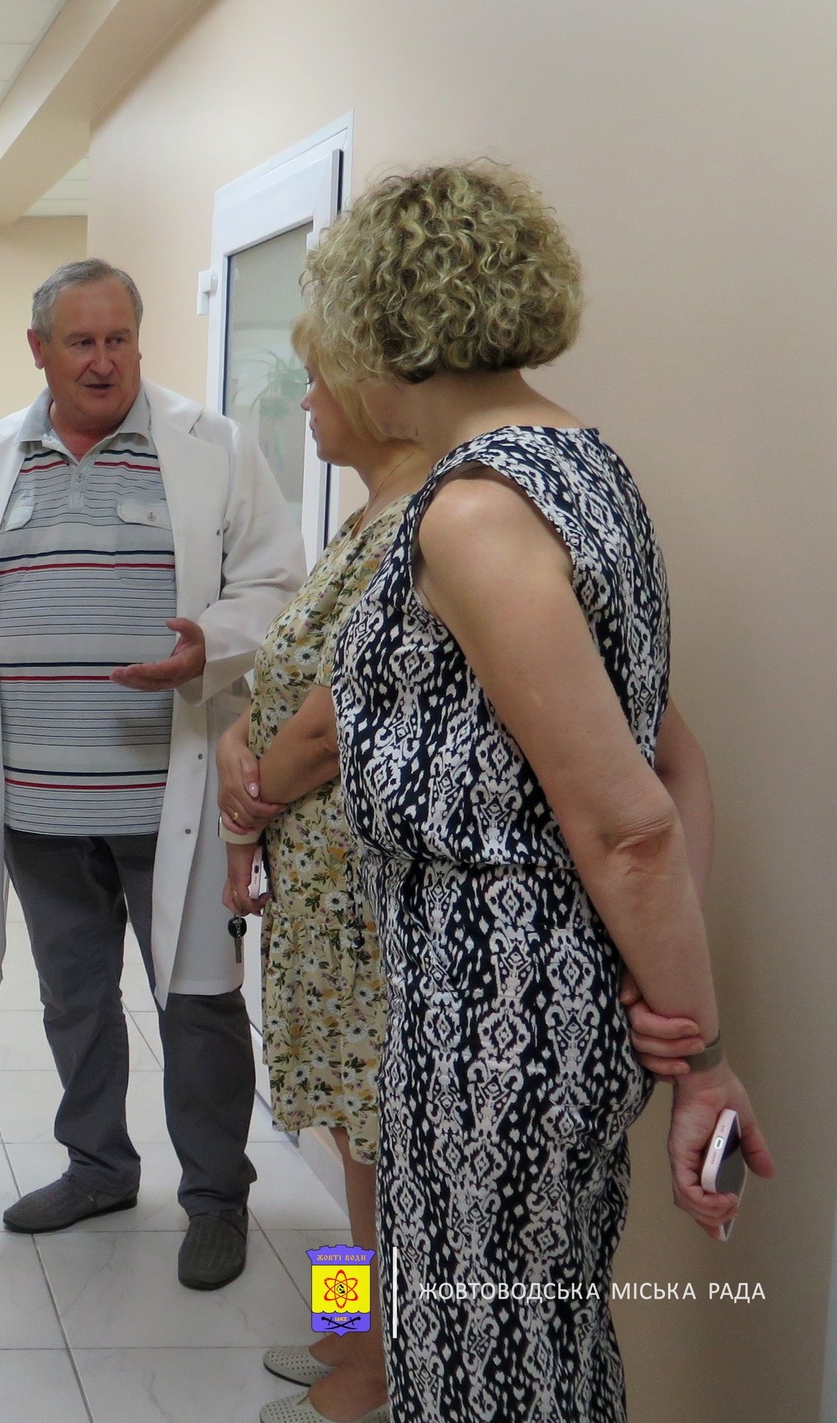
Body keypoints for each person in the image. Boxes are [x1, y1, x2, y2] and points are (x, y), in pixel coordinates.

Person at [317, 164, 774, 1423]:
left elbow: (628, 820)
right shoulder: (583, 470)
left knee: (482, 1373)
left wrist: (702, 1056)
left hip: (495, 1021)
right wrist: (668, 1015)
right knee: (541, 1357)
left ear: (380, 322)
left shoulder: (472, 514)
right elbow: (671, 764)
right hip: (539, 1007)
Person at [0, 259, 305, 1290]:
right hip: (36, 797)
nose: (102, 360)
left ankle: (214, 1197)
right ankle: (97, 1167)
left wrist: (209, 643)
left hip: (172, 792)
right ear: (39, 349)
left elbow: (275, 583)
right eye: (79, 342)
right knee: (73, 997)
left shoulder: (212, 448)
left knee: (198, 1002)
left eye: (118, 338)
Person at [212, 312, 424, 1422]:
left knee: (371, 1144)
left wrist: (251, 794)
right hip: (315, 890)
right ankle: (349, 1334)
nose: (303, 402)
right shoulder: (361, 518)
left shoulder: (419, 529)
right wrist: (234, 744)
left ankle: (378, 1366)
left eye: (318, 382)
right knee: (344, 1139)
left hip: (358, 895)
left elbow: (336, 721)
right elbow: (286, 683)